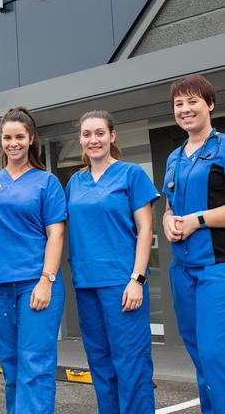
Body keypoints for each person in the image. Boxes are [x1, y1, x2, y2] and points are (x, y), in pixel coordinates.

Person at [0, 107, 66, 414]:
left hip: (34, 285)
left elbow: (56, 235)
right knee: (11, 368)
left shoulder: (46, 182)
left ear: (31, 139)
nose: (14, 143)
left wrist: (46, 280)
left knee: (35, 365)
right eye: (7, 137)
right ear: (1, 140)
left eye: (20, 137)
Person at [66, 110, 158, 414]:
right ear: (80, 139)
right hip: (85, 284)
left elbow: (146, 229)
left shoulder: (132, 175)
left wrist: (138, 279)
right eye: (87, 134)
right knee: (100, 364)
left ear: (112, 136)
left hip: (122, 283)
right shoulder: (74, 182)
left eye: (100, 133)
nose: (94, 140)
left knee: (131, 364)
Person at [162, 75, 225, 414]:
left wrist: (197, 220)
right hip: (182, 271)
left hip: (217, 268)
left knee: (218, 355)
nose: (185, 110)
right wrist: (168, 222)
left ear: (210, 105)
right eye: (179, 104)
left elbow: (195, 216)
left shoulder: (224, 148)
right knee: (200, 354)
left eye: (192, 102)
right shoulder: (174, 157)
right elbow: (170, 207)